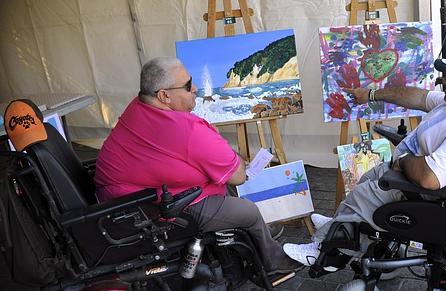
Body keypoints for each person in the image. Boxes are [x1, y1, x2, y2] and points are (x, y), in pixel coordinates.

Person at [283, 46, 446, 266]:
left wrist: (402, 161)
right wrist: (371, 94)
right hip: (404, 169)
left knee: (363, 193)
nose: (444, 80)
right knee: (365, 181)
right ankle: (336, 224)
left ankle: (322, 251)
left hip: (420, 189)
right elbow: (417, 97)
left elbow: (430, 178)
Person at [94, 56, 302, 275]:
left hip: (119, 198)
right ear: (164, 96)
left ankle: (257, 234)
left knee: (224, 183)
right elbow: (238, 176)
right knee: (248, 211)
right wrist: (221, 147)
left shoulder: (137, 107)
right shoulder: (187, 129)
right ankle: (273, 261)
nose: (195, 88)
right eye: (187, 85)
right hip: (148, 211)